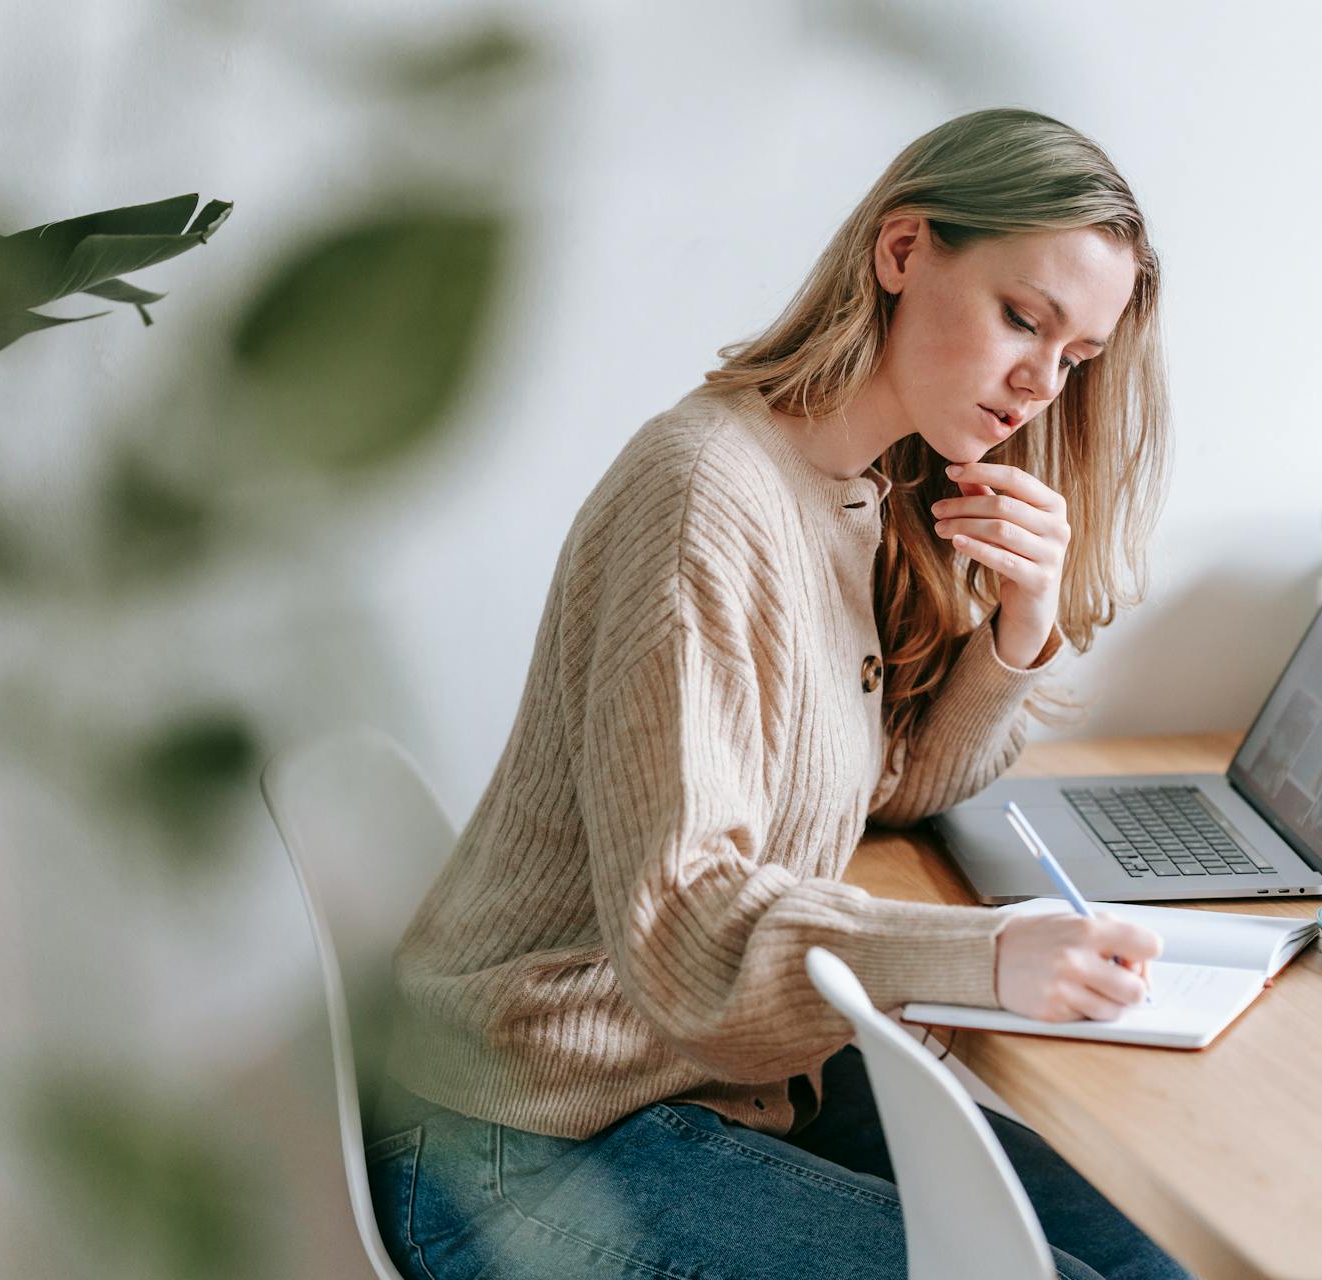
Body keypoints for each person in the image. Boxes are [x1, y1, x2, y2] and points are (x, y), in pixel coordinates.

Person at [367, 106, 1185, 1279]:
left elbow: (889, 791)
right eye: (1023, 318)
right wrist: (987, 955)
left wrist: (1021, 629)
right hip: (520, 1137)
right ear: (901, 252)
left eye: (1074, 357)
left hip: (713, 1081)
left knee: (1155, 1266)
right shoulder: (704, 492)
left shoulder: (849, 491)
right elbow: (686, 925)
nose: (1037, 384)